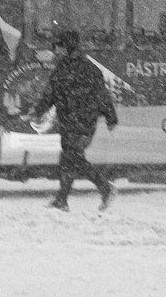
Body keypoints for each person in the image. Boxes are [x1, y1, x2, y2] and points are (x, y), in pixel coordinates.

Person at [32, 30, 118, 212]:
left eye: (59, 46)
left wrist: (111, 117)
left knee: (73, 158)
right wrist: (39, 111)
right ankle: (62, 200)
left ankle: (105, 188)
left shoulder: (86, 68)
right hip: (69, 120)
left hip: (83, 121)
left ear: (68, 46)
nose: (56, 50)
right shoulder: (65, 68)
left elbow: (101, 95)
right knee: (68, 159)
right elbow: (51, 94)